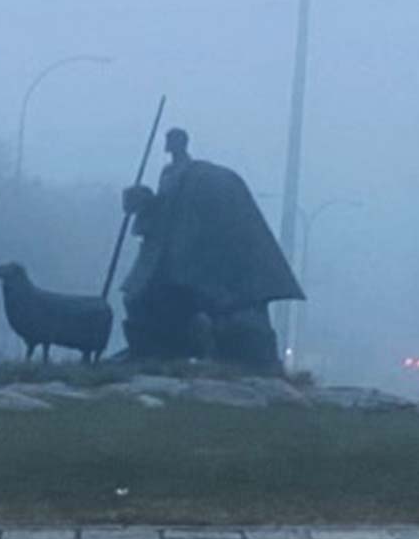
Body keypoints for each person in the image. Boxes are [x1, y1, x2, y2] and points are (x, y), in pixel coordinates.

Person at [120, 128, 304, 371]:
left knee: (171, 296)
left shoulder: (196, 175)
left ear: (181, 143)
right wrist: (143, 200)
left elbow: (184, 211)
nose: (169, 145)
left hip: (181, 248)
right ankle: (148, 350)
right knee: (135, 295)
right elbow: (163, 209)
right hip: (164, 248)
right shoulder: (168, 173)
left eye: (172, 141)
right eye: (167, 141)